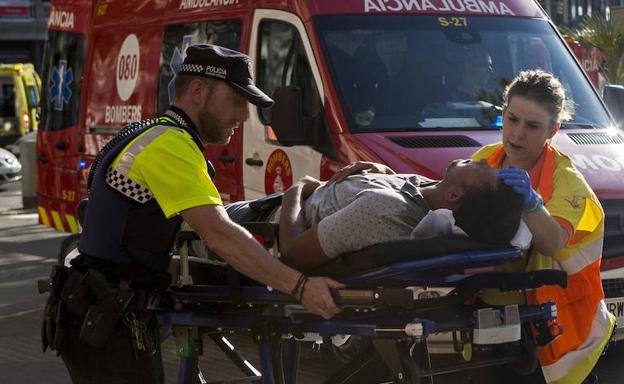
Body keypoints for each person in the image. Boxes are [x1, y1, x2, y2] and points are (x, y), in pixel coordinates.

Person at [48, 44, 342, 384]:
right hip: (106, 319)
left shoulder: (150, 132)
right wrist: (300, 286)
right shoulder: (170, 146)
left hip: (100, 309)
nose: (244, 115)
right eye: (236, 100)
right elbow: (219, 235)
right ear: (199, 91)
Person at [471, 69, 615, 384]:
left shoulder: (567, 181)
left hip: (556, 322)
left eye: (532, 126)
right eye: (511, 119)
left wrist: (532, 203)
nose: (517, 134)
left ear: (553, 130)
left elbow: (552, 242)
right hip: (493, 313)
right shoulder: (484, 161)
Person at [278, 159, 524, 272]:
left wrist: (296, 189)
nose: (481, 159)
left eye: (482, 169)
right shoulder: (426, 192)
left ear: (453, 196)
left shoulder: (384, 210)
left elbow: (291, 256)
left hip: (268, 224)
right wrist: (383, 173)